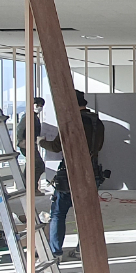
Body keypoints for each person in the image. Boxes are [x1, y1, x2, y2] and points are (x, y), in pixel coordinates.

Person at [39, 90, 105, 260]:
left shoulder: (71, 122)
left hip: (71, 173)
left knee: (58, 213)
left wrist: (41, 142)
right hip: (92, 172)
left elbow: (56, 146)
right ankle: (83, 250)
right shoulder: (97, 122)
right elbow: (99, 146)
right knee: (86, 214)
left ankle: (55, 253)